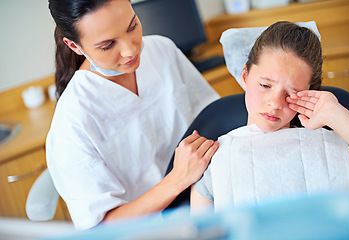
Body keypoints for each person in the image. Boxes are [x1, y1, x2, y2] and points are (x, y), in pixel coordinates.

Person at [46, 0, 220, 230]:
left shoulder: (161, 50)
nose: (131, 50)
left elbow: (215, 117)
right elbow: (102, 228)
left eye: (132, 26)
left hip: (211, 200)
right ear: (75, 46)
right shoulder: (72, 122)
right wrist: (178, 178)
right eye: (107, 45)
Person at [191, 21, 349, 212]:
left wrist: (334, 113)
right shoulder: (218, 164)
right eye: (265, 85)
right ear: (245, 75)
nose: (276, 103)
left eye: (291, 93)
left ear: (309, 93)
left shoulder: (329, 151)